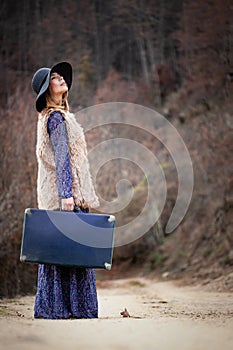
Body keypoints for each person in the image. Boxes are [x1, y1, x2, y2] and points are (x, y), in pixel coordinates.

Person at [31, 61, 99, 319]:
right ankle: (68, 308)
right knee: (68, 250)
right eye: (54, 78)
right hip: (67, 194)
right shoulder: (55, 117)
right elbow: (61, 158)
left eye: (61, 76)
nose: (61, 80)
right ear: (46, 89)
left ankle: (62, 307)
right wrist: (67, 195)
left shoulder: (59, 116)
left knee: (64, 250)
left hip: (68, 192)